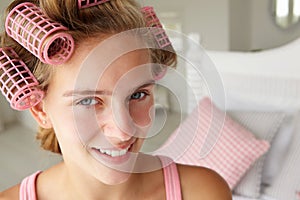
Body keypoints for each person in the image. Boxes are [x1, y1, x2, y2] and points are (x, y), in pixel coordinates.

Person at [0, 0, 232, 199]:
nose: (123, 132)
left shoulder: (201, 192)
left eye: (138, 95)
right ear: (40, 109)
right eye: (89, 101)